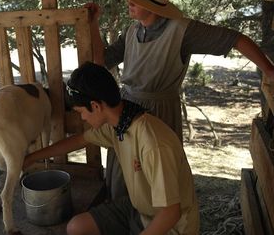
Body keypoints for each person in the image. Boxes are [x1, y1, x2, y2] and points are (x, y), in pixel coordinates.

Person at [85, 0, 274, 199]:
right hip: (125, 111)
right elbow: (101, 61)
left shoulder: (183, 30)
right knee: (123, 178)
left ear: (153, 3)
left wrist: (269, 70)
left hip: (159, 114)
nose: (129, 1)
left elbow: (235, 39)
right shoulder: (131, 31)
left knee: (156, 183)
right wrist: (93, 24)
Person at [24, 62, 199, 235]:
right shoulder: (119, 124)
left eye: (81, 112)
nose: (83, 118)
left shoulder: (153, 142)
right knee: (76, 227)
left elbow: (171, 213)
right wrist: (32, 158)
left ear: (95, 106)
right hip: (138, 210)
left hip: (171, 227)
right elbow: (78, 141)